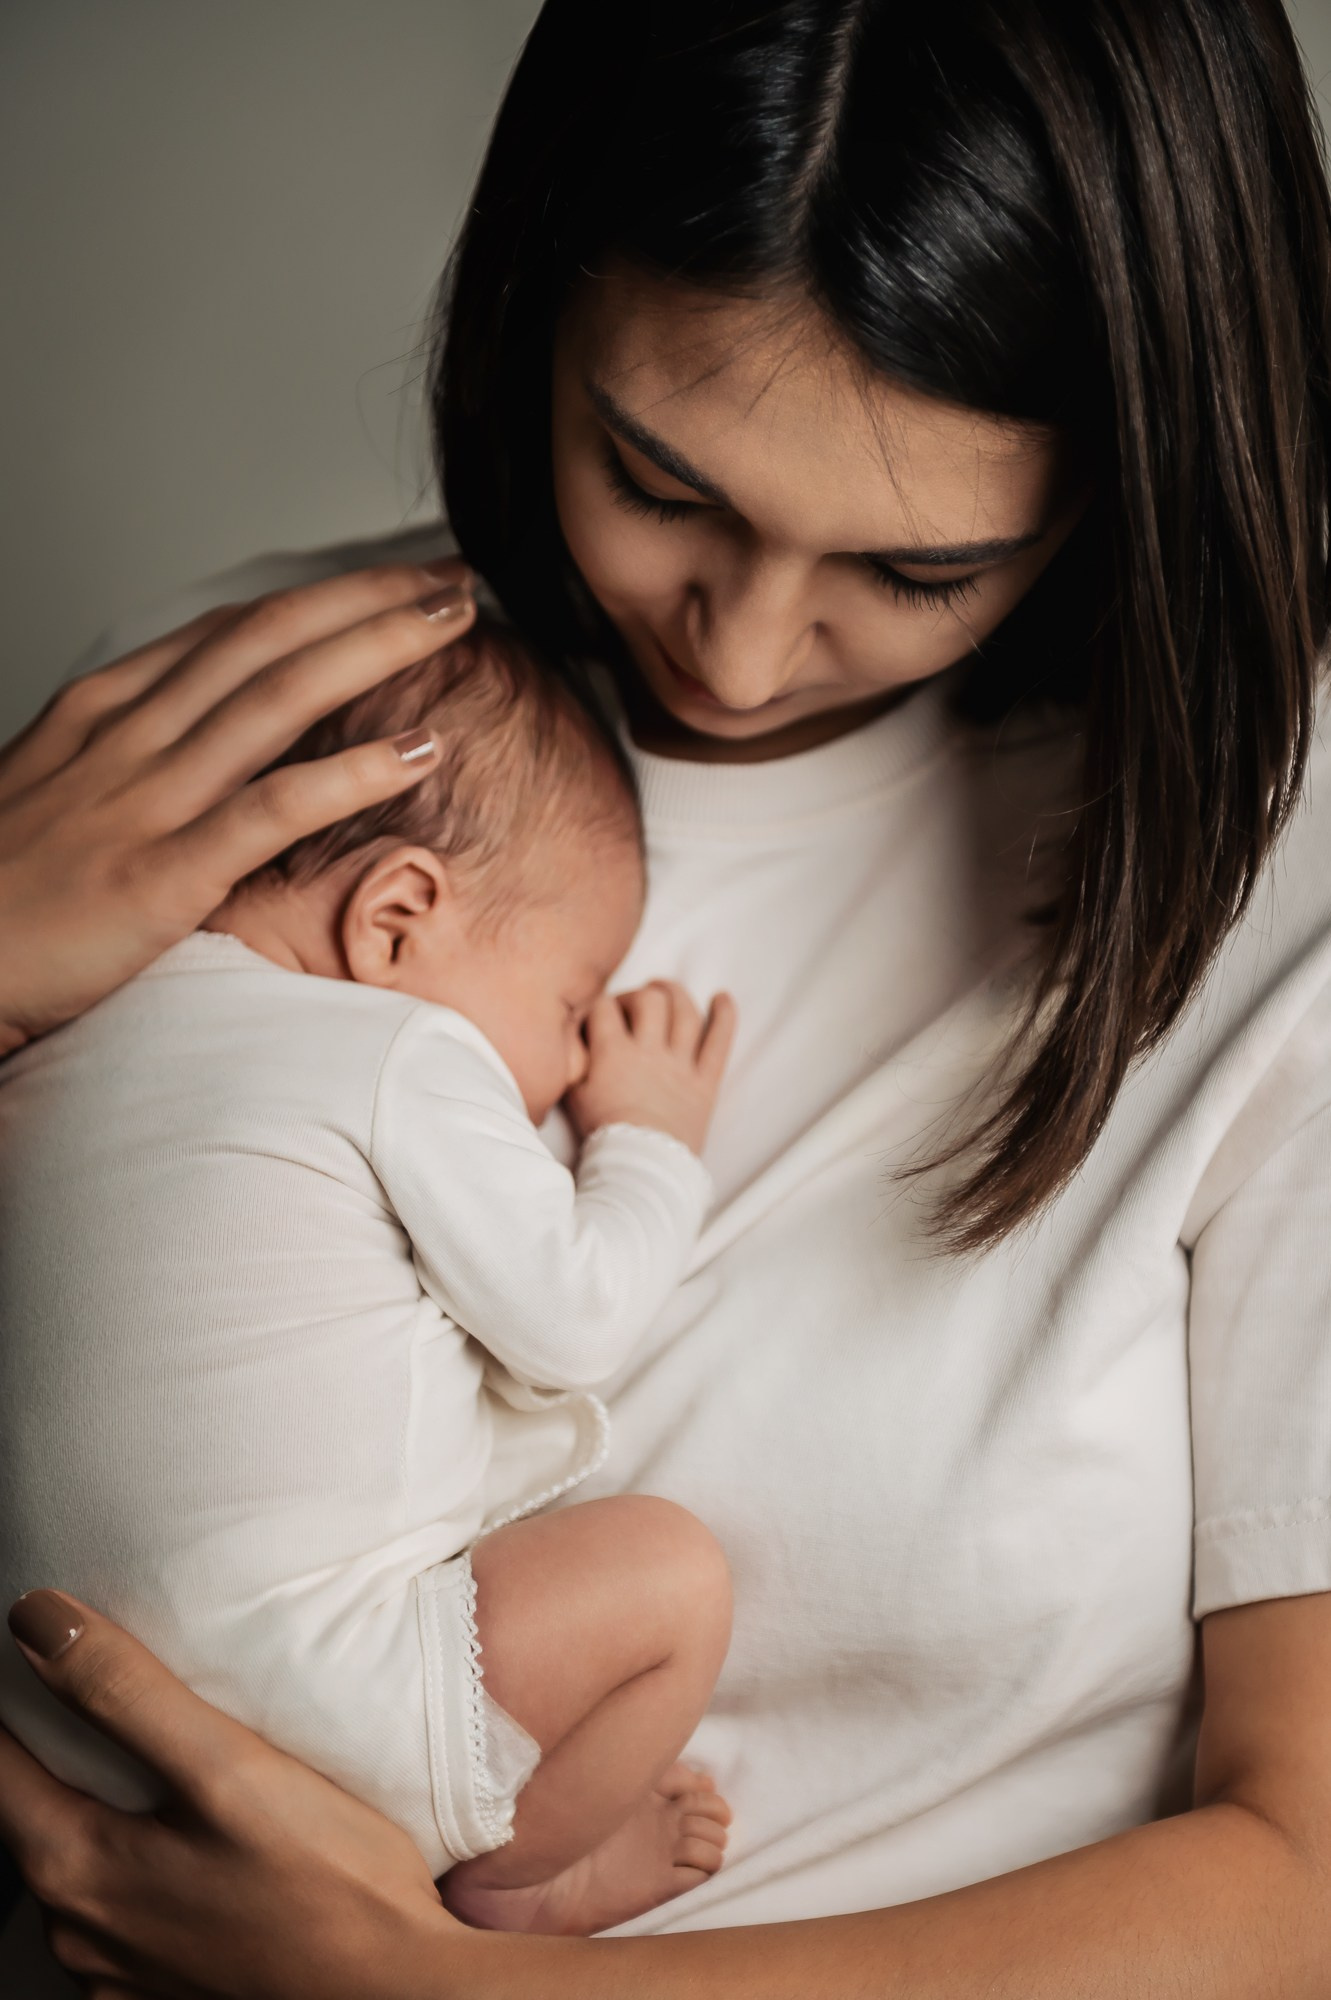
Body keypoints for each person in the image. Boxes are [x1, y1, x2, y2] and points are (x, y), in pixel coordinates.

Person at [4, 0, 1331, 1991]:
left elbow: (1305, 1875)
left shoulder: (1283, 858)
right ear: (539, 296)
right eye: (660, 477)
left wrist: (468, 1993)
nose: (740, 646)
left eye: (916, 568)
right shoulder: (245, 728)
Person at [0, 611, 737, 1942]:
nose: (573, 1062)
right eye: (574, 1003)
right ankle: (517, 1885)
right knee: (674, 1582)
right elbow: (575, 1321)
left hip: (51, 1731)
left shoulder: (56, 1033)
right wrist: (649, 1143)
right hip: (308, 1706)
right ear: (397, 918)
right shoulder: (396, 1049)